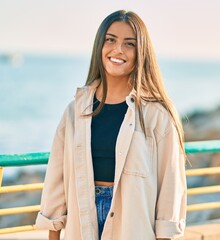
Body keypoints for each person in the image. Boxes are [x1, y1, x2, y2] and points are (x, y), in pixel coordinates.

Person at [35, 10, 187, 240]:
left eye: (130, 44)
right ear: (100, 45)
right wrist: (53, 233)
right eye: (111, 40)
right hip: (82, 217)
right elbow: (56, 178)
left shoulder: (157, 115)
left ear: (141, 52)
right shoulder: (75, 111)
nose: (118, 50)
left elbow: (170, 187)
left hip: (132, 223)